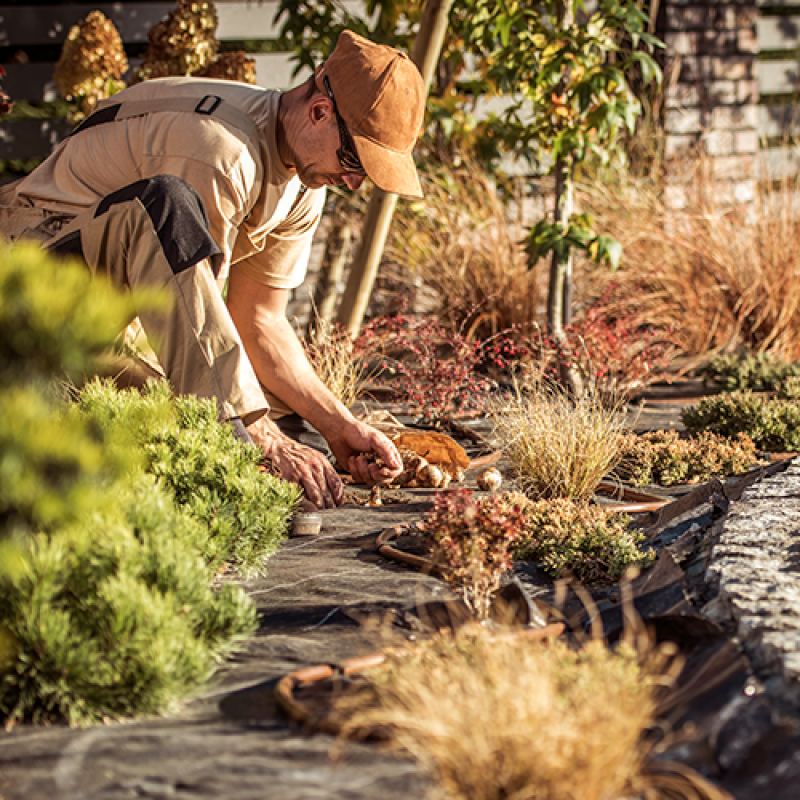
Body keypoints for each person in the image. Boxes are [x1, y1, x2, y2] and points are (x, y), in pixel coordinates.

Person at [0, 30, 427, 509]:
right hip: (26, 283)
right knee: (166, 212)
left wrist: (337, 425)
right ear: (320, 111)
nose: (353, 180)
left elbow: (258, 321)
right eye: (354, 159)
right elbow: (195, 334)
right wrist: (261, 436)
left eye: (366, 174)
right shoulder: (223, 153)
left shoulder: (304, 182)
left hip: (105, 313)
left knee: (228, 400)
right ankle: (232, 459)